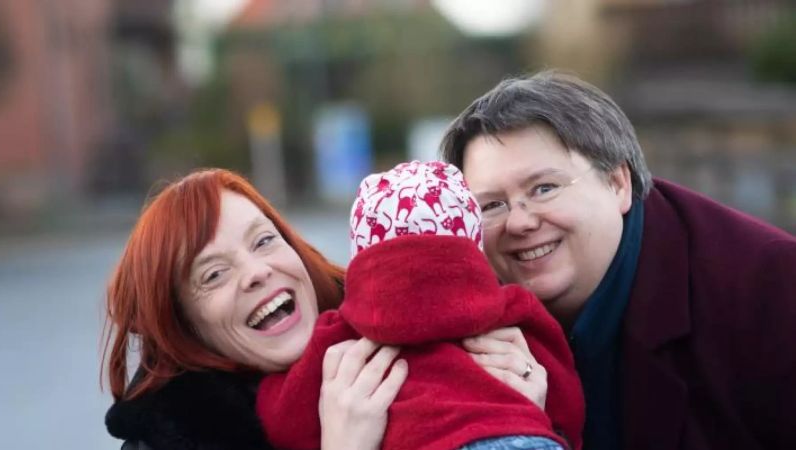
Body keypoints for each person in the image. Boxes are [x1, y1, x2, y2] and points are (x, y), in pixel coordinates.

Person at [440, 70, 796, 450]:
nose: (520, 222)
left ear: (618, 183)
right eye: (491, 205)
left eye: (544, 189)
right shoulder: (457, 323)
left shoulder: (770, 290)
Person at [102, 168, 549, 449]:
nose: (256, 271)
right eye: (213, 274)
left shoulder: (401, 319)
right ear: (183, 325)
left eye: (263, 240)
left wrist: (526, 408)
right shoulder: (170, 436)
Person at [257, 161, 584, 450]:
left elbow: (288, 421)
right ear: (473, 244)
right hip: (522, 435)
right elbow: (566, 393)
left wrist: (269, 390)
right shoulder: (512, 309)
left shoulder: (341, 336)